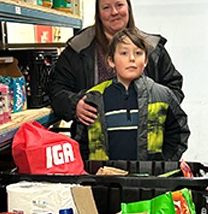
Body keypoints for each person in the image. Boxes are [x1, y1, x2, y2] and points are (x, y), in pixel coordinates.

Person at [49, 0, 184, 138]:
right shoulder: (78, 49)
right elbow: (57, 90)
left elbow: (173, 86)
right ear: (98, 14)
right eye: (106, 8)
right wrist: (75, 105)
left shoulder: (152, 49)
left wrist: (158, 109)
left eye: (119, 5)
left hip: (146, 144)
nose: (114, 12)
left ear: (128, 9)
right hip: (95, 143)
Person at [75, 28, 190, 161]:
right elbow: (81, 141)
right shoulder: (95, 98)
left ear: (146, 60)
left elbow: (179, 133)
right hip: (105, 178)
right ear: (111, 60)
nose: (131, 58)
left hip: (150, 179)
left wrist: (164, 164)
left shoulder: (163, 95)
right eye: (124, 53)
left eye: (138, 53)